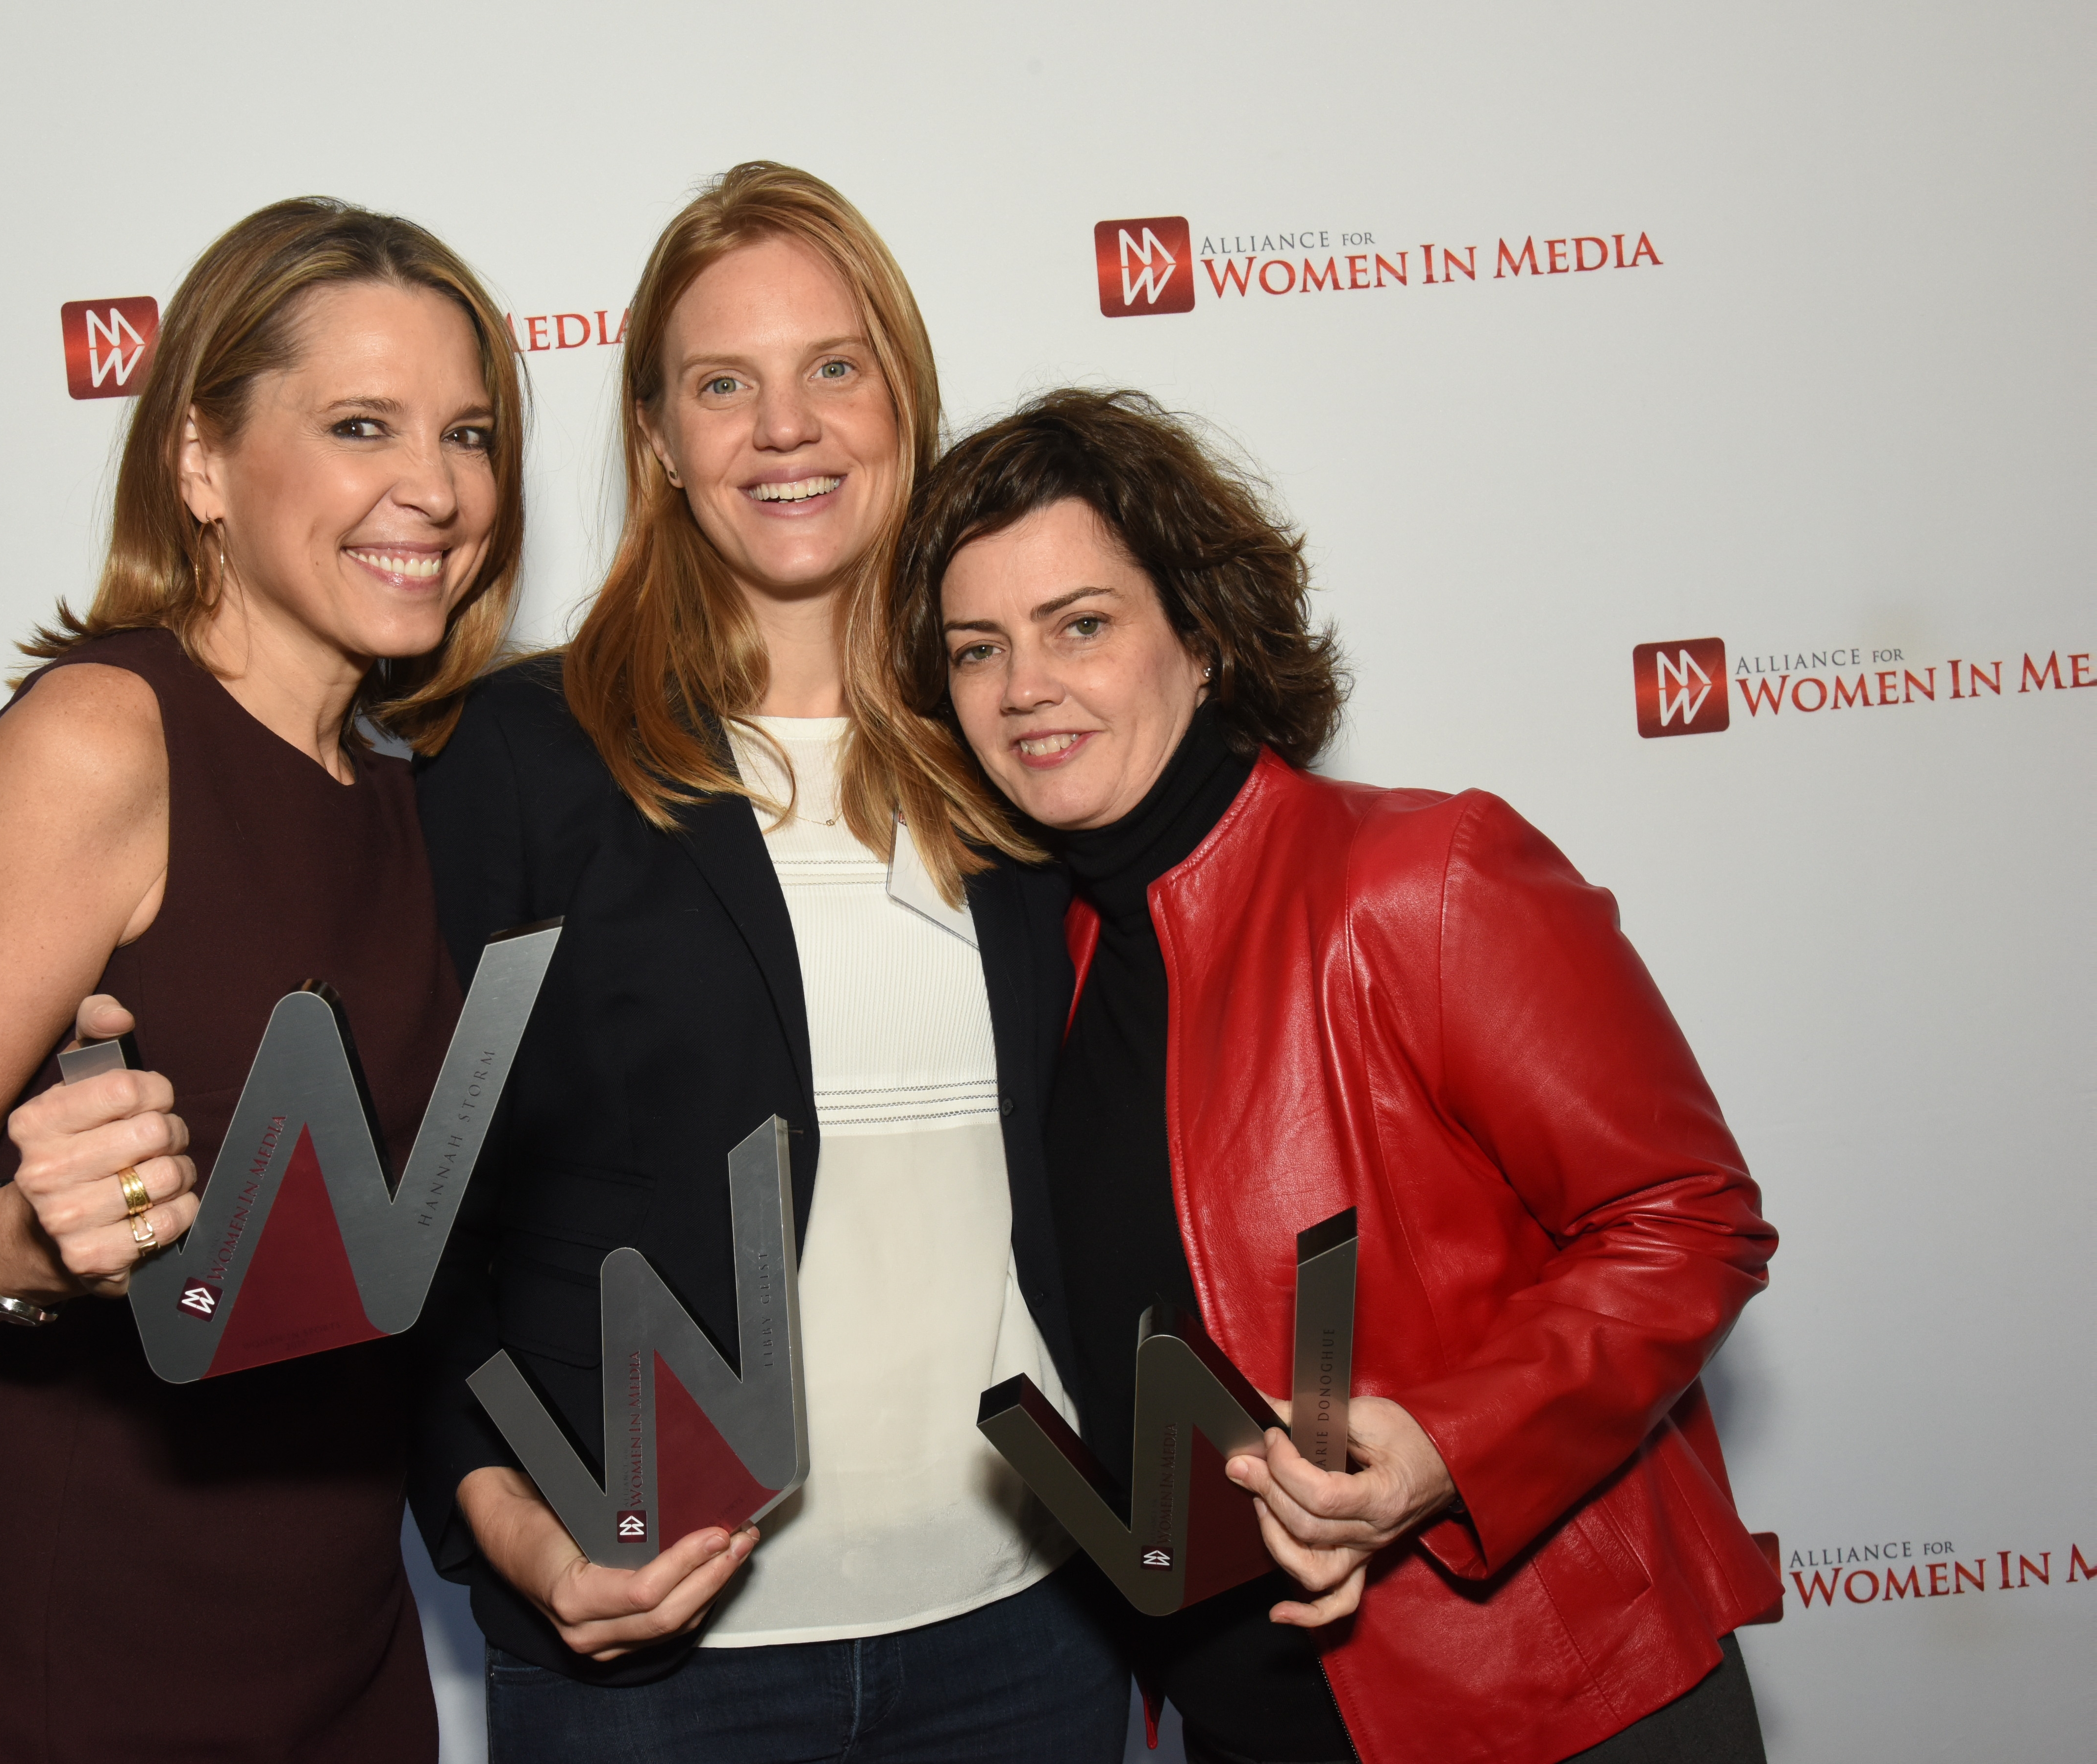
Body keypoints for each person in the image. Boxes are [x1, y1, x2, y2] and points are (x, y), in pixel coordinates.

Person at [889, 386, 1780, 1764]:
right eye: (976, 649)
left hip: (1543, 1708)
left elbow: (1687, 1219)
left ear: (1200, 635)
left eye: (1082, 626)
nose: (1024, 689)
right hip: (1254, 1724)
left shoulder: (1421, 882)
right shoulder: (1044, 958)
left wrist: (1442, 1448)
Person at [0, 197, 526, 1764]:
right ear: (200, 461)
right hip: (69, 1663)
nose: (436, 487)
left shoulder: (408, 797)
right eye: (359, 425)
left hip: (339, 1652)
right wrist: (22, 1243)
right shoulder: (107, 738)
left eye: (468, 432)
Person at [410, 163, 1132, 1761]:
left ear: (904, 399)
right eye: (722, 384)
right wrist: (507, 1524)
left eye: (834, 368)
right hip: (666, 1675)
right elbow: (419, 1211)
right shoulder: (524, 758)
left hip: (1033, 1634)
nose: (784, 427)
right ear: (658, 438)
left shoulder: (1016, 746)